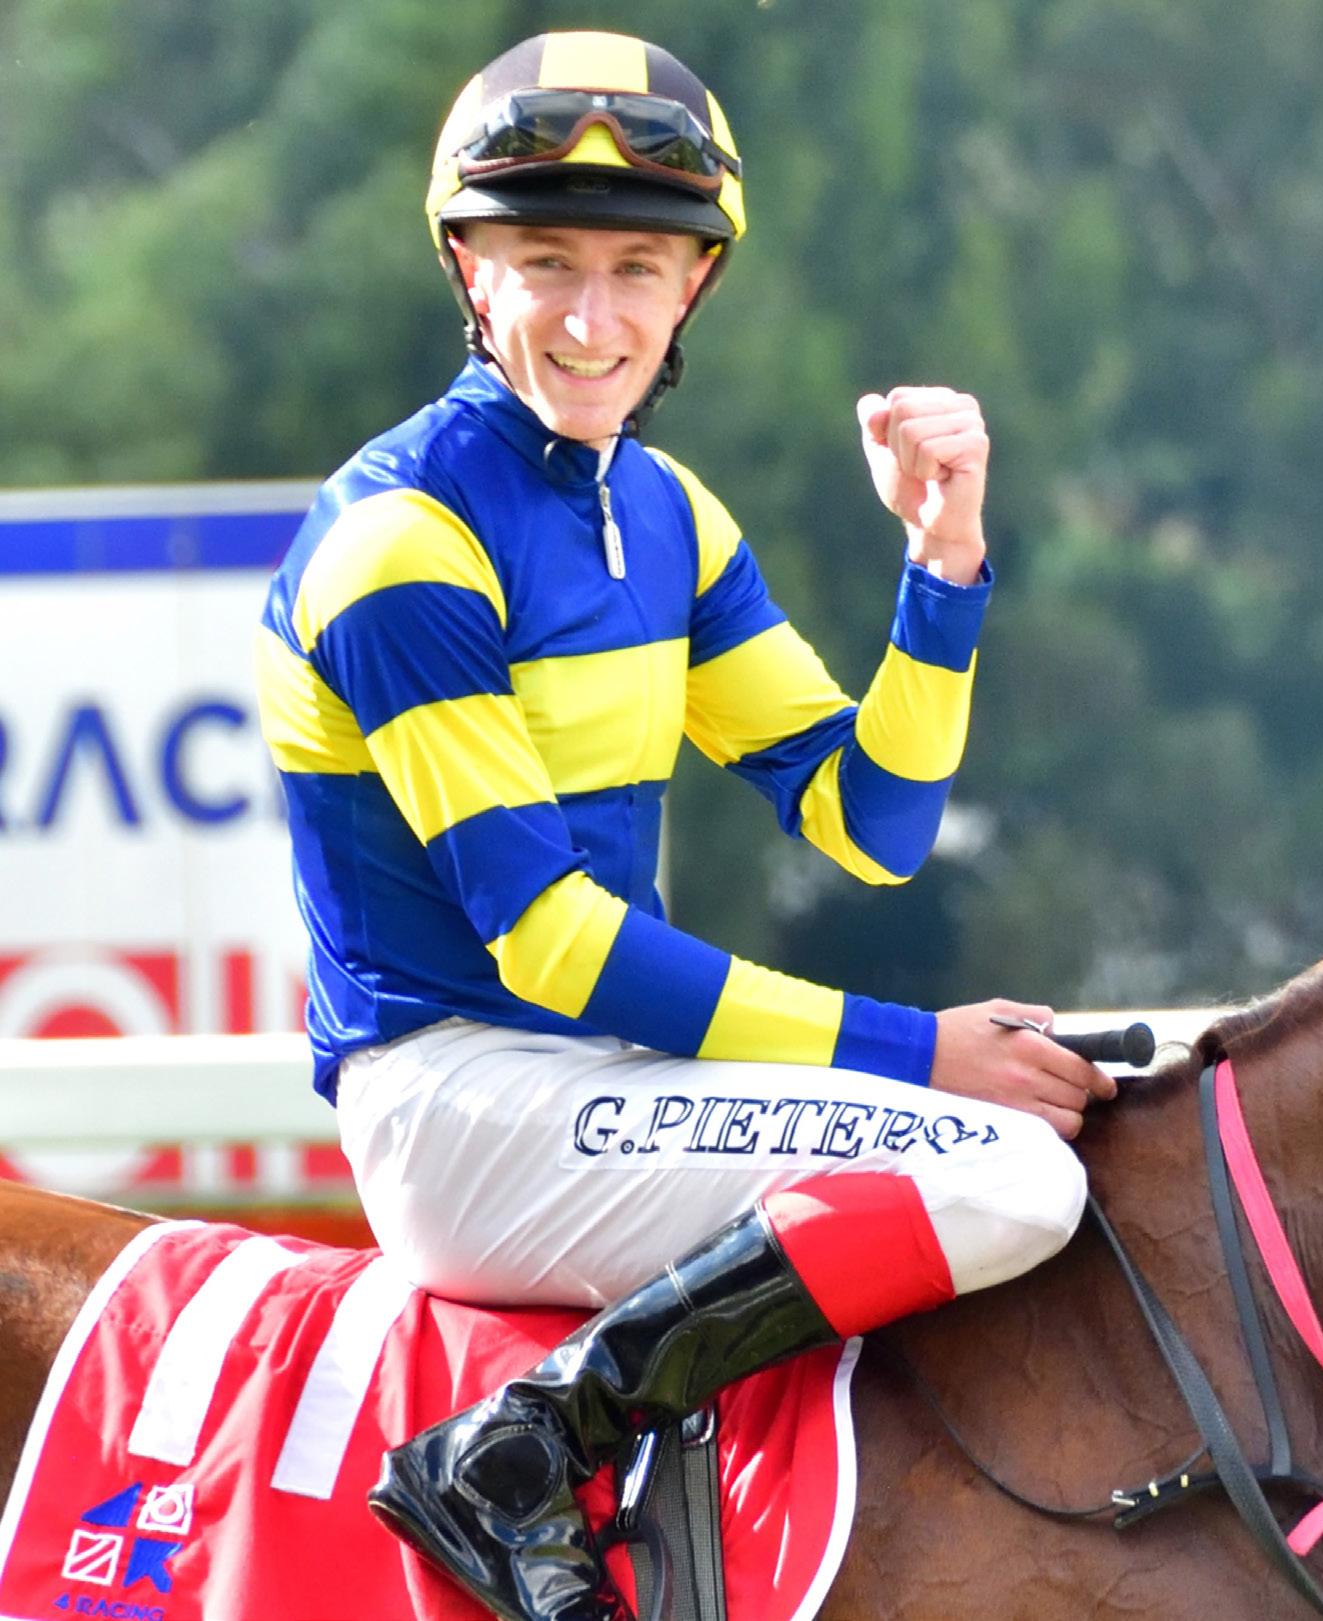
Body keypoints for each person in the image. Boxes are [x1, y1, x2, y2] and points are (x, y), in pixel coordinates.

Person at [253, 31, 1111, 1621]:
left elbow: (870, 822)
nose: (593, 319)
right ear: (467, 268)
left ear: (694, 285)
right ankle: (521, 1445)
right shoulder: (399, 542)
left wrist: (940, 570)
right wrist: (918, 1051)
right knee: (1012, 1180)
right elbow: (554, 946)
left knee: (1107, 1116)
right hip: (460, 1105)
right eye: (545, 264)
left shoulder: (664, 513)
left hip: (612, 1082)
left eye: (637, 268)